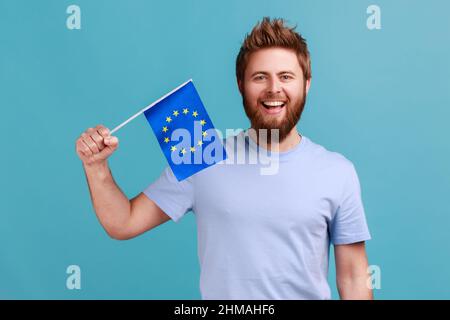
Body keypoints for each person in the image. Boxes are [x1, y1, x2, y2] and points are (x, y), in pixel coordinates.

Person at [75, 17, 372, 300]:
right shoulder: (202, 155)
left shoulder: (337, 172)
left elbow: (354, 277)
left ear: (306, 84)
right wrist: (96, 166)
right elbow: (123, 222)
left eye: (286, 76)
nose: (273, 88)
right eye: (260, 77)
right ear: (241, 85)